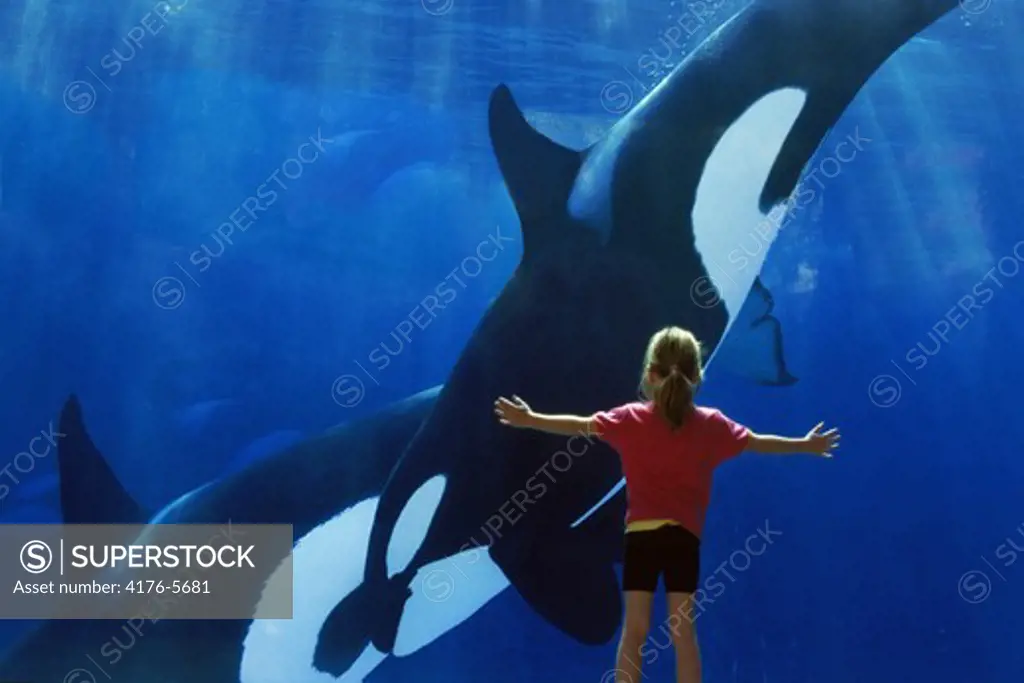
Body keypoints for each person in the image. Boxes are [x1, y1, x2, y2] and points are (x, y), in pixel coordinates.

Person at [493, 326, 839, 683]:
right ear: (698, 375)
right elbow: (758, 442)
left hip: (641, 538)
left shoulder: (630, 419)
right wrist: (805, 444)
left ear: (649, 374)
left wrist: (530, 419)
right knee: (682, 630)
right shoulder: (711, 425)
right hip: (682, 540)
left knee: (636, 629)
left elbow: (581, 425)